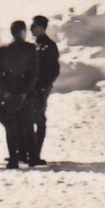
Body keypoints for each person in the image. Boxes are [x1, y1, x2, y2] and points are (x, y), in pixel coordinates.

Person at [0, 21, 40, 169]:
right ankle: (32, 157)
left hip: (8, 93)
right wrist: (24, 92)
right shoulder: (31, 49)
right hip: (25, 93)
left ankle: (13, 158)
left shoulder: (1, 51)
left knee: (11, 127)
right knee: (28, 125)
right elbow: (33, 74)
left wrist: (4, 92)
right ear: (22, 32)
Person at [28, 15, 61, 166]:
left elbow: (53, 70)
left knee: (39, 120)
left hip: (40, 89)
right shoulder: (34, 45)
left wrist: (43, 87)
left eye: (34, 25)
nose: (31, 28)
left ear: (42, 27)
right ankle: (30, 152)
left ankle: (35, 153)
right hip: (30, 88)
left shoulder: (49, 46)